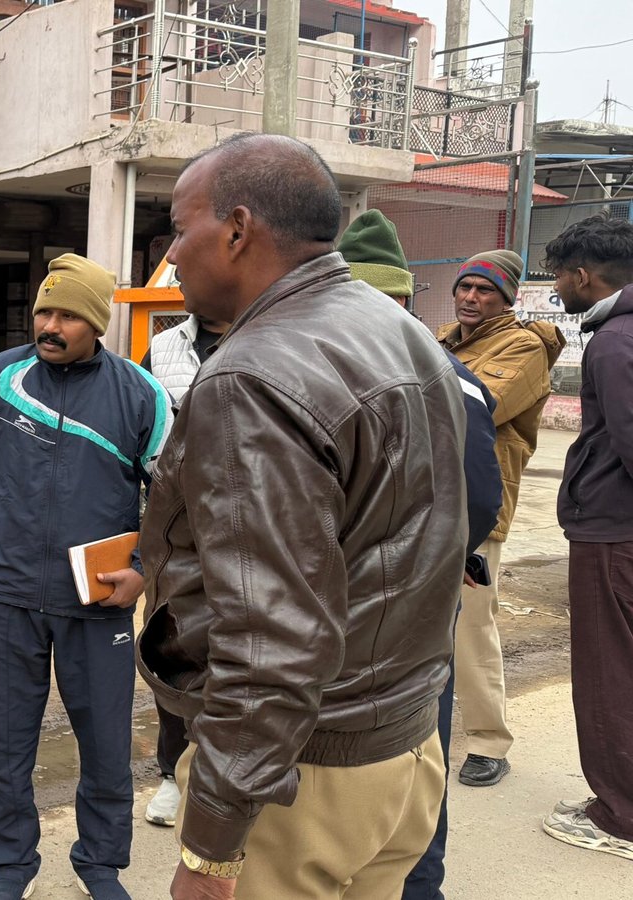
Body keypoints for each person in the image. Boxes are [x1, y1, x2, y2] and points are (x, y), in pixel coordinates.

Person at [138, 134, 466, 900]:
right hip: (404, 752)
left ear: (238, 229)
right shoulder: (397, 328)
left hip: (302, 779)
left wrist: (212, 847)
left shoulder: (251, 376)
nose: (171, 256)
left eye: (179, 230)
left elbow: (268, 639)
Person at [0, 253, 172, 900]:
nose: (50, 326)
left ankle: (101, 864)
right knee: (3, 742)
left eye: (67, 315)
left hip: (98, 598)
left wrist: (143, 569)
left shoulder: (140, 395)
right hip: (5, 592)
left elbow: (174, 496)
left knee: (106, 743)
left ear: (97, 324)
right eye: (44, 312)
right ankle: (11, 866)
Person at [337, 209, 505, 899]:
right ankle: (415, 883)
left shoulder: (313, 369)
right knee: (415, 747)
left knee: (335, 760)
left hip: (337, 604)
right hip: (422, 605)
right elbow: (480, 499)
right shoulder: (457, 377)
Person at [435, 249, 564, 788]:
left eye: (485, 290)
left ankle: (489, 742)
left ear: (506, 299)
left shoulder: (523, 347)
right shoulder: (443, 340)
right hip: (427, 497)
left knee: (471, 627)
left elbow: (475, 405)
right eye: (465, 286)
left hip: (477, 504)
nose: (470, 297)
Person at [542, 214, 633, 861]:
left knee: (608, 672)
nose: (555, 290)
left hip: (612, 532)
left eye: (556, 277)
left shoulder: (614, 342)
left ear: (582, 275)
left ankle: (619, 815)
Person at [136, 313, 227, 828]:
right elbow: (143, 432)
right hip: (176, 535)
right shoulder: (164, 348)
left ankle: (226, 780)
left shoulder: (274, 336)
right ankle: (173, 775)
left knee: (246, 653)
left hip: (252, 528)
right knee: (173, 647)